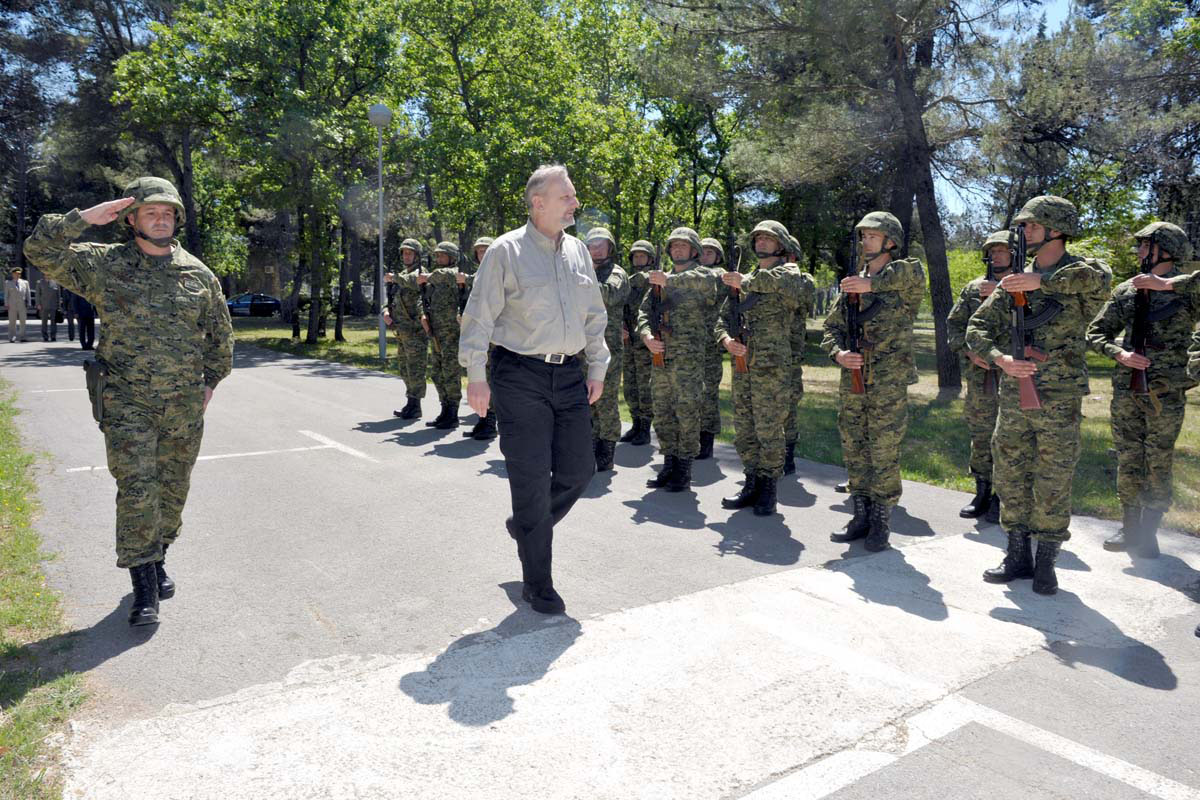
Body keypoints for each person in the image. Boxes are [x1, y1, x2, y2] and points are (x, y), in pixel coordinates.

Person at [23, 176, 234, 626]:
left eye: (167, 213)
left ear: (176, 219)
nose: (160, 220)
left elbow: (221, 336)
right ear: (131, 219)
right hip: (127, 402)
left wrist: (210, 383)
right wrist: (84, 218)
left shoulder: (198, 273)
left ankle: (158, 558)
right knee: (138, 489)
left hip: (182, 406)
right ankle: (144, 588)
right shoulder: (105, 264)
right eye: (150, 212)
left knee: (172, 490)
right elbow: (39, 250)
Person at [458, 164, 607, 615]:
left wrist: (597, 366)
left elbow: (593, 314)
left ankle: (526, 525)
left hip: (569, 374)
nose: (575, 203)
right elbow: (479, 316)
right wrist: (476, 374)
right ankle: (537, 583)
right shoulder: (506, 251)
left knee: (580, 470)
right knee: (531, 478)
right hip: (519, 374)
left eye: (573, 196)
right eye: (567, 196)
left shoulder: (578, 251)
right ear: (538, 203)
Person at [967, 195, 1111, 595]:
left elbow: (1100, 282)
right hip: (1015, 395)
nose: (1025, 232)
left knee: (1053, 478)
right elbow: (976, 328)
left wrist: (1042, 282)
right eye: (1024, 226)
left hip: (1059, 396)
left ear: (1056, 229)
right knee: (1011, 474)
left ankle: (1046, 560)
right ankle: (1016, 554)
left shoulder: (1083, 273)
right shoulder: (1013, 281)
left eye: (1032, 225)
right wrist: (999, 359)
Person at [1088, 222, 1197, 556]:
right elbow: (1096, 333)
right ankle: (1130, 527)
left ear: (1167, 250)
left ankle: (1149, 533)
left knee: (1158, 460)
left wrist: (1167, 284)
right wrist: (1118, 353)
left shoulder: (1188, 289)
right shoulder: (1127, 290)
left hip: (1166, 393)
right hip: (1128, 390)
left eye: (1146, 246)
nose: (1139, 252)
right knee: (1129, 458)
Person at [823, 212, 926, 552]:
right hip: (853, 379)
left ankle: (881, 522)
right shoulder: (853, 284)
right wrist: (839, 354)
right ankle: (860, 515)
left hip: (887, 381)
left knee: (883, 450)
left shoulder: (904, 278)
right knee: (854, 446)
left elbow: (914, 272)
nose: (865, 241)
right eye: (863, 235)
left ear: (890, 241)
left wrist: (871, 284)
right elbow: (831, 328)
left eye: (872, 235)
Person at [715, 220, 806, 516]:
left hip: (771, 367)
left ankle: (768, 488)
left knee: (769, 429)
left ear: (781, 245)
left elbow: (787, 285)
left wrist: (743, 282)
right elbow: (722, 319)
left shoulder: (788, 273)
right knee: (744, 428)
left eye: (768, 238)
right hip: (743, 367)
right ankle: (751, 482)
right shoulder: (745, 279)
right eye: (758, 238)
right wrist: (727, 341)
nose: (762, 243)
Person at [637, 226, 722, 492]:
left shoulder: (704, 276)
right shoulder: (660, 281)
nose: (677, 249)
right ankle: (669, 462)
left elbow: (705, 283)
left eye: (683, 245)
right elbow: (644, 312)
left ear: (694, 251)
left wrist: (668, 281)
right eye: (674, 246)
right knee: (663, 413)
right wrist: (646, 336)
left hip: (689, 361)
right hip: (661, 359)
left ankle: (684, 468)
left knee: (687, 413)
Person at [946, 231, 1015, 523]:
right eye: (993, 251)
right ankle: (983, 491)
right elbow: (954, 326)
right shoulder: (973, 288)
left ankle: (1003, 496)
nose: (997, 256)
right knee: (981, 434)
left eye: (1003, 250)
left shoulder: (1027, 286)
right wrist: (969, 352)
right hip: (980, 377)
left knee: (1011, 438)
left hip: (1014, 376)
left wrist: (1001, 296)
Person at [400, 241, 462, 429]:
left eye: (443, 255)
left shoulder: (453, 274)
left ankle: (453, 413)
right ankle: (444, 409)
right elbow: (422, 298)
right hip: (435, 333)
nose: (439, 258)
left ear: (452, 257)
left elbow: (445, 276)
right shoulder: (434, 278)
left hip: (451, 334)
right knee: (437, 373)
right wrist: (423, 315)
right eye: (437, 255)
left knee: (451, 373)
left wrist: (428, 277)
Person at [582, 227, 629, 471]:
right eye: (592, 245)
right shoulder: (583, 272)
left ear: (610, 248)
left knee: (606, 401)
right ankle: (590, 446)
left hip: (607, 349)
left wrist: (579, 281)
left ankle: (607, 450)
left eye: (601, 245)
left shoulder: (616, 273)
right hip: (583, 348)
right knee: (587, 400)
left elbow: (608, 294)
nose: (596, 250)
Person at [782, 233, 816, 475]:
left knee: (789, 406)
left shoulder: (803, 280)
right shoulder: (763, 277)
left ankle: (788, 455)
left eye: (786, 255)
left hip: (790, 354)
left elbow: (802, 298)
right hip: (763, 355)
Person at [385, 239, 430, 420]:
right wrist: (385, 311)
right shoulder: (401, 274)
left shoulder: (421, 274)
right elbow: (392, 298)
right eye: (404, 253)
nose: (406, 256)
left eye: (410, 253)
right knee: (404, 368)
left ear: (417, 255)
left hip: (415, 331)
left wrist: (394, 278)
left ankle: (415, 405)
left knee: (415, 368)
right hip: (402, 330)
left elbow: (413, 282)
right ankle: (410, 402)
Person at [461, 236, 499, 440]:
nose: (482, 254)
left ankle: (490, 422)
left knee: (490, 378)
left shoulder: (495, 274)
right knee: (480, 375)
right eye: (479, 251)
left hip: (494, 336)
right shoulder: (479, 275)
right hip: (480, 335)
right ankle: (483, 420)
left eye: (486, 250)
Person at [619, 240, 656, 446]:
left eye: (643, 256)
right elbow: (619, 306)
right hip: (628, 341)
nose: (639, 259)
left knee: (645, 386)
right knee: (630, 385)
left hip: (645, 342)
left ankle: (645, 428)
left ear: (650, 259)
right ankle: (635, 423)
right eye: (636, 256)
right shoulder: (626, 281)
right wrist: (620, 325)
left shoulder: (654, 280)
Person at [697, 237, 728, 459]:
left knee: (708, 393)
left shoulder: (720, 275)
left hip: (710, 345)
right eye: (702, 251)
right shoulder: (691, 274)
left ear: (718, 257)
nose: (705, 255)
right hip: (689, 345)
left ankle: (706, 439)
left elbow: (710, 282)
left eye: (710, 252)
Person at [5, 267, 30, 342]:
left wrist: (29, 303)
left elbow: (28, 294)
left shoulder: (25, 282)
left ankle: (23, 337)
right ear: (13, 274)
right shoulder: (8, 283)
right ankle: (12, 337)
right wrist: (6, 304)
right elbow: (6, 295)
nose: (17, 275)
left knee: (23, 322)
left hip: (22, 305)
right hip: (12, 305)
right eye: (16, 274)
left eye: (19, 274)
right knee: (12, 322)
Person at [36, 275, 62, 342]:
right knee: (44, 322)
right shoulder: (40, 282)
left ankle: (53, 336)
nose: (47, 275)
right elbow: (37, 294)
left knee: (53, 322)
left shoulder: (55, 282)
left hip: (53, 305)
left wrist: (59, 306)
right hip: (43, 305)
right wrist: (38, 304)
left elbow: (58, 295)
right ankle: (45, 336)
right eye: (46, 273)